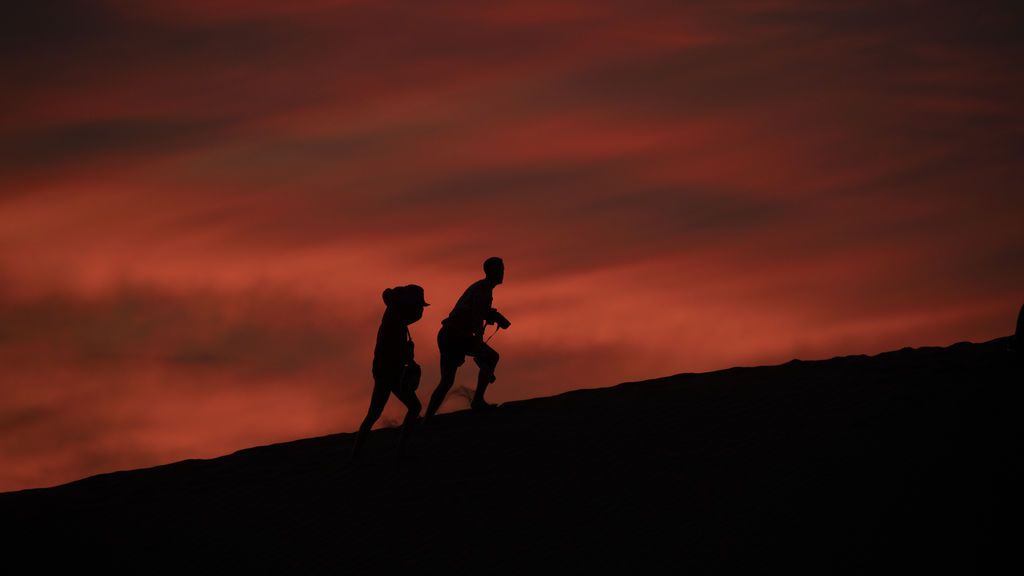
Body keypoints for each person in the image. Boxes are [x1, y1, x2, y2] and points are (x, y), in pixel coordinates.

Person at [350, 284, 428, 462]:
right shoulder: (396, 318)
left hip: (387, 370)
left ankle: (355, 455)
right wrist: (408, 360)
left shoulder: (396, 315)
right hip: (389, 372)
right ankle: (397, 452)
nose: (419, 311)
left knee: (374, 414)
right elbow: (393, 349)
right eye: (417, 305)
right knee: (411, 407)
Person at [425, 257, 511, 419]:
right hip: (455, 335)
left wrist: (491, 315)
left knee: (447, 381)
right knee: (491, 357)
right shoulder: (483, 288)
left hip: (449, 335)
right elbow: (476, 314)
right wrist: (479, 337)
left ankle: (428, 417)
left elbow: (475, 311)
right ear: (494, 271)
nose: (503, 273)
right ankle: (477, 400)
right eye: (501, 269)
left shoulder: (482, 288)